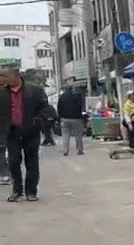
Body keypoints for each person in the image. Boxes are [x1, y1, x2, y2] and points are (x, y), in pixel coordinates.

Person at [0, 66, 53, 201]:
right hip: (12, 132)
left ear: (14, 76)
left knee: (32, 162)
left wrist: (38, 120)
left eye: (3, 76)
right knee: (13, 162)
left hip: (31, 131)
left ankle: (31, 191)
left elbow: (45, 108)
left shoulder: (34, 90)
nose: (1, 79)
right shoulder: (2, 92)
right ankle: (17, 190)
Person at [57, 85, 86, 156]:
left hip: (65, 119)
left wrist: (61, 117)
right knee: (78, 135)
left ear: (64, 89)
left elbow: (59, 108)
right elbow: (81, 106)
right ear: (72, 89)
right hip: (76, 118)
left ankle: (65, 150)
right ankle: (80, 150)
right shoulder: (77, 96)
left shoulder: (61, 97)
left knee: (65, 135)